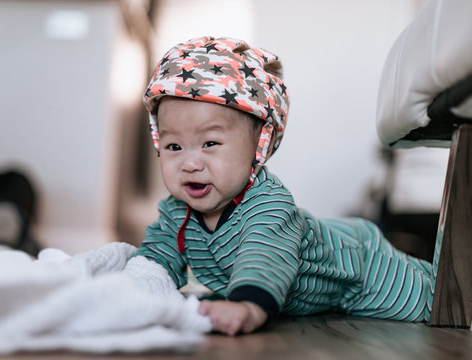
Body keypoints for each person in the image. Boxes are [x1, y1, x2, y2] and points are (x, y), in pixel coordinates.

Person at [131, 36, 436, 336]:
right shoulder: (176, 212)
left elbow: (263, 257)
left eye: (210, 143)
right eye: (174, 147)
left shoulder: (268, 205)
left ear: (259, 146)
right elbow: (157, 257)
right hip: (313, 300)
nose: (190, 163)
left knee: (436, 301)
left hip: (362, 271)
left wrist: (247, 305)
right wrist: (133, 283)